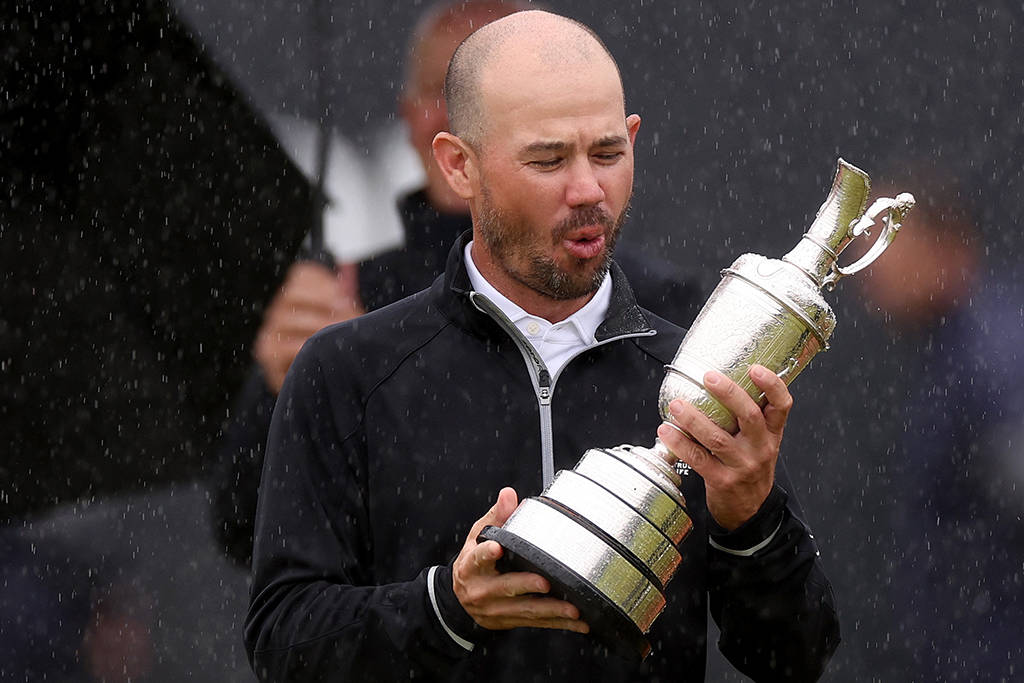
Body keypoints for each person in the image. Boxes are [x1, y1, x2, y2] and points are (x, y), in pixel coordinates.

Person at [244, 10, 839, 682]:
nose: (588, 189)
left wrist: (750, 516)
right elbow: (283, 644)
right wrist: (448, 605)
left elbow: (795, 655)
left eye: (609, 152)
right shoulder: (348, 369)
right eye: (548, 158)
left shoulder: (694, 365)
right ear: (458, 165)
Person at [211, 0, 703, 567]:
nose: (456, 113)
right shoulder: (344, 312)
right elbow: (250, 538)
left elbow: (756, 593)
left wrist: (751, 504)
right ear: (432, 138)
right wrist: (293, 396)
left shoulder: (659, 308)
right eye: (441, 94)